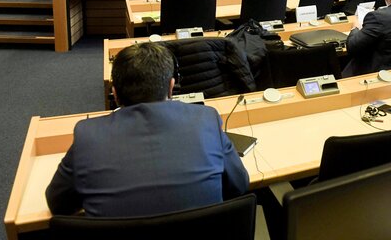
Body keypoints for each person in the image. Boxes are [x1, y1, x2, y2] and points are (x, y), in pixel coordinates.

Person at [45, 43, 249, 217]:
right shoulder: (206, 119)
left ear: (114, 93)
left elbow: (58, 204)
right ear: (171, 86)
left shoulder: (87, 135)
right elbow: (239, 185)